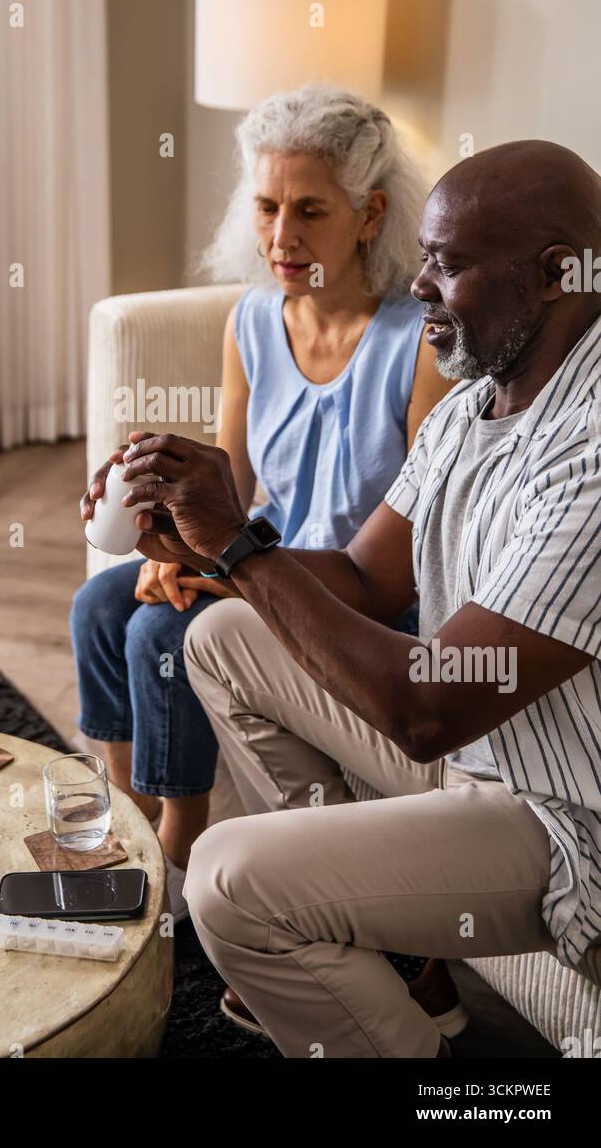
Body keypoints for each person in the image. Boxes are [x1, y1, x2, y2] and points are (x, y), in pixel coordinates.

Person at [116, 139, 601, 1058]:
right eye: (422, 256)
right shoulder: (476, 404)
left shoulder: (592, 447)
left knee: (225, 877)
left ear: (553, 275)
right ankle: (387, 959)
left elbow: (427, 709)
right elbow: (371, 578)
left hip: (564, 817)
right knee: (221, 635)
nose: (418, 285)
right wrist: (206, 542)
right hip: (479, 756)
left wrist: (238, 545)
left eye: (448, 264)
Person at [72, 84, 452, 920]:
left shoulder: (419, 342)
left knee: (163, 628)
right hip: (256, 552)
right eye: (268, 207)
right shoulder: (251, 321)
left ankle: (179, 843)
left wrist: (225, 570)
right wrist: (164, 536)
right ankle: (129, 817)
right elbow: (231, 484)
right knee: (102, 604)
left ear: (370, 214)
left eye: (311, 210)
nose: (282, 237)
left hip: (356, 598)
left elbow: (403, 558)